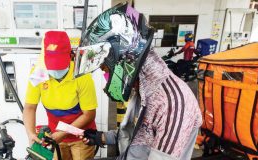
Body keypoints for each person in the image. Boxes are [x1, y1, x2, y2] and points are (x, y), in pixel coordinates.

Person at [74, 3, 202, 160]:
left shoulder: (173, 104)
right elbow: (137, 136)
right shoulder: (143, 88)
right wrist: (100, 137)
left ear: (122, 58)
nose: (104, 74)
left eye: (105, 67)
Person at [23, 31, 98, 160]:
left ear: (70, 55)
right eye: (52, 65)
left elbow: (89, 114)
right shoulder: (39, 73)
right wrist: (30, 133)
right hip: (56, 137)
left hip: (81, 137)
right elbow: (30, 107)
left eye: (60, 65)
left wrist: (64, 133)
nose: (56, 70)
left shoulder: (82, 76)